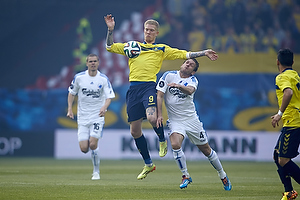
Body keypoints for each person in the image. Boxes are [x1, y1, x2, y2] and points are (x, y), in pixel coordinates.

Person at [104, 14, 218, 180]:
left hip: (149, 87)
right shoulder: (133, 47)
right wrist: (110, 30)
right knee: (134, 131)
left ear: (157, 33)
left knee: (152, 117)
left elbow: (185, 55)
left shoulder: (161, 49)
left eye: (151, 31)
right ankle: (149, 164)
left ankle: (162, 140)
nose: (148, 33)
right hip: (133, 89)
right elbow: (109, 47)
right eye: (146, 30)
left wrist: (204, 52)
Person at [156, 58, 232, 190]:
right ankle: (185, 175)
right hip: (175, 120)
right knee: (175, 144)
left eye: (191, 65)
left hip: (192, 120)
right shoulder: (168, 75)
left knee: (207, 151)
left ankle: (222, 175)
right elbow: (159, 95)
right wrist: (159, 114)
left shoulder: (193, 81)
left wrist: (179, 86)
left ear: (193, 72)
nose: (187, 64)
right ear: (182, 64)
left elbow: (190, 90)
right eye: (187, 62)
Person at [67, 54, 115, 180]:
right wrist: (70, 109)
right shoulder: (79, 78)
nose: (93, 63)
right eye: (90, 61)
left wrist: (104, 107)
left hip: (97, 116)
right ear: (86, 63)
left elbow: (109, 96)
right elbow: (71, 93)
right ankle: (93, 159)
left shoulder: (103, 79)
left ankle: (96, 172)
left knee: (93, 144)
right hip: (82, 117)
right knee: (84, 148)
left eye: (95, 61)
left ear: (98, 63)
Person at [271, 48, 300, 200]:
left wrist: (279, 114)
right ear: (293, 63)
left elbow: (287, 92)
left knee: (283, 160)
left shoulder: (281, 77)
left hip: (293, 122)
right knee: (277, 156)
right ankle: (289, 192)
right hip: (295, 120)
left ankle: (289, 192)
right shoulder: (295, 75)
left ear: (278, 62)